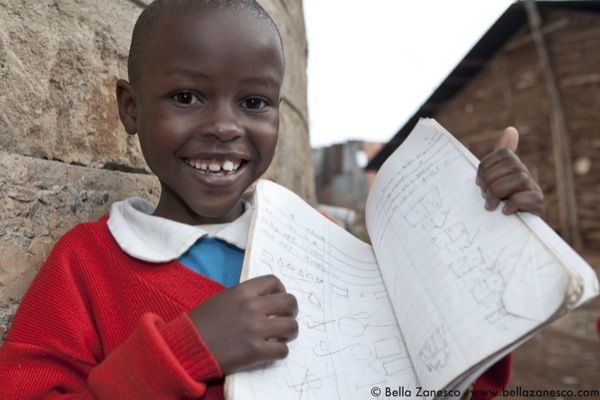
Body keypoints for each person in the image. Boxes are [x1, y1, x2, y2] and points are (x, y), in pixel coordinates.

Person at [0, 1, 544, 399]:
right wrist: (188, 350)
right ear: (131, 108)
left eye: (254, 101)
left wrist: (487, 244)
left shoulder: (330, 259)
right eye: (186, 97)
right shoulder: (88, 264)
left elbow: (451, 386)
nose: (223, 126)